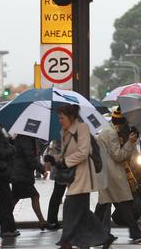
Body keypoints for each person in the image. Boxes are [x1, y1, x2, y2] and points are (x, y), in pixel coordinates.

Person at [46, 104, 114, 249]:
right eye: (59, 118)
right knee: (83, 215)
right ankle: (103, 237)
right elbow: (66, 154)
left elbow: (83, 153)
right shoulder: (64, 132)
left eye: (62, 117)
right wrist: (53, 158)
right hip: (73, 178)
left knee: (70, 209)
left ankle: (66, 242)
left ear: (71, 117)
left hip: (83, 177)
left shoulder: (82, 128)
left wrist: (64, 162)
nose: (60, 120)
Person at [94, 116, 141, 244]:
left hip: (107, 174)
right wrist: (130, 143)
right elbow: (118, 156)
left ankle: (95, 233)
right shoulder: (112, 133)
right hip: (113, 175)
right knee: (122, 203)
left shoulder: (108, 131)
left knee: (106, 205)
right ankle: (134, 231)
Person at [11, 134, 48, 230]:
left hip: (20, 173)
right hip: (21, 174)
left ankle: (7, 221)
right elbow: (30, 158)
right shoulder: (25, 138)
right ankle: (42, 222)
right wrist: (42, 169)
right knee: (35, 196)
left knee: (15, 198)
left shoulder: (24, 137)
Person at [43, 139, 66, 231]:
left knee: (57, 195)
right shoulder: (61, 137)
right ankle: (52, 221)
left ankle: (52, 220)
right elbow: (63, 152)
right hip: (62, 170)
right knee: (57, 195)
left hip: (62, 169)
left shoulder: (61, 136)